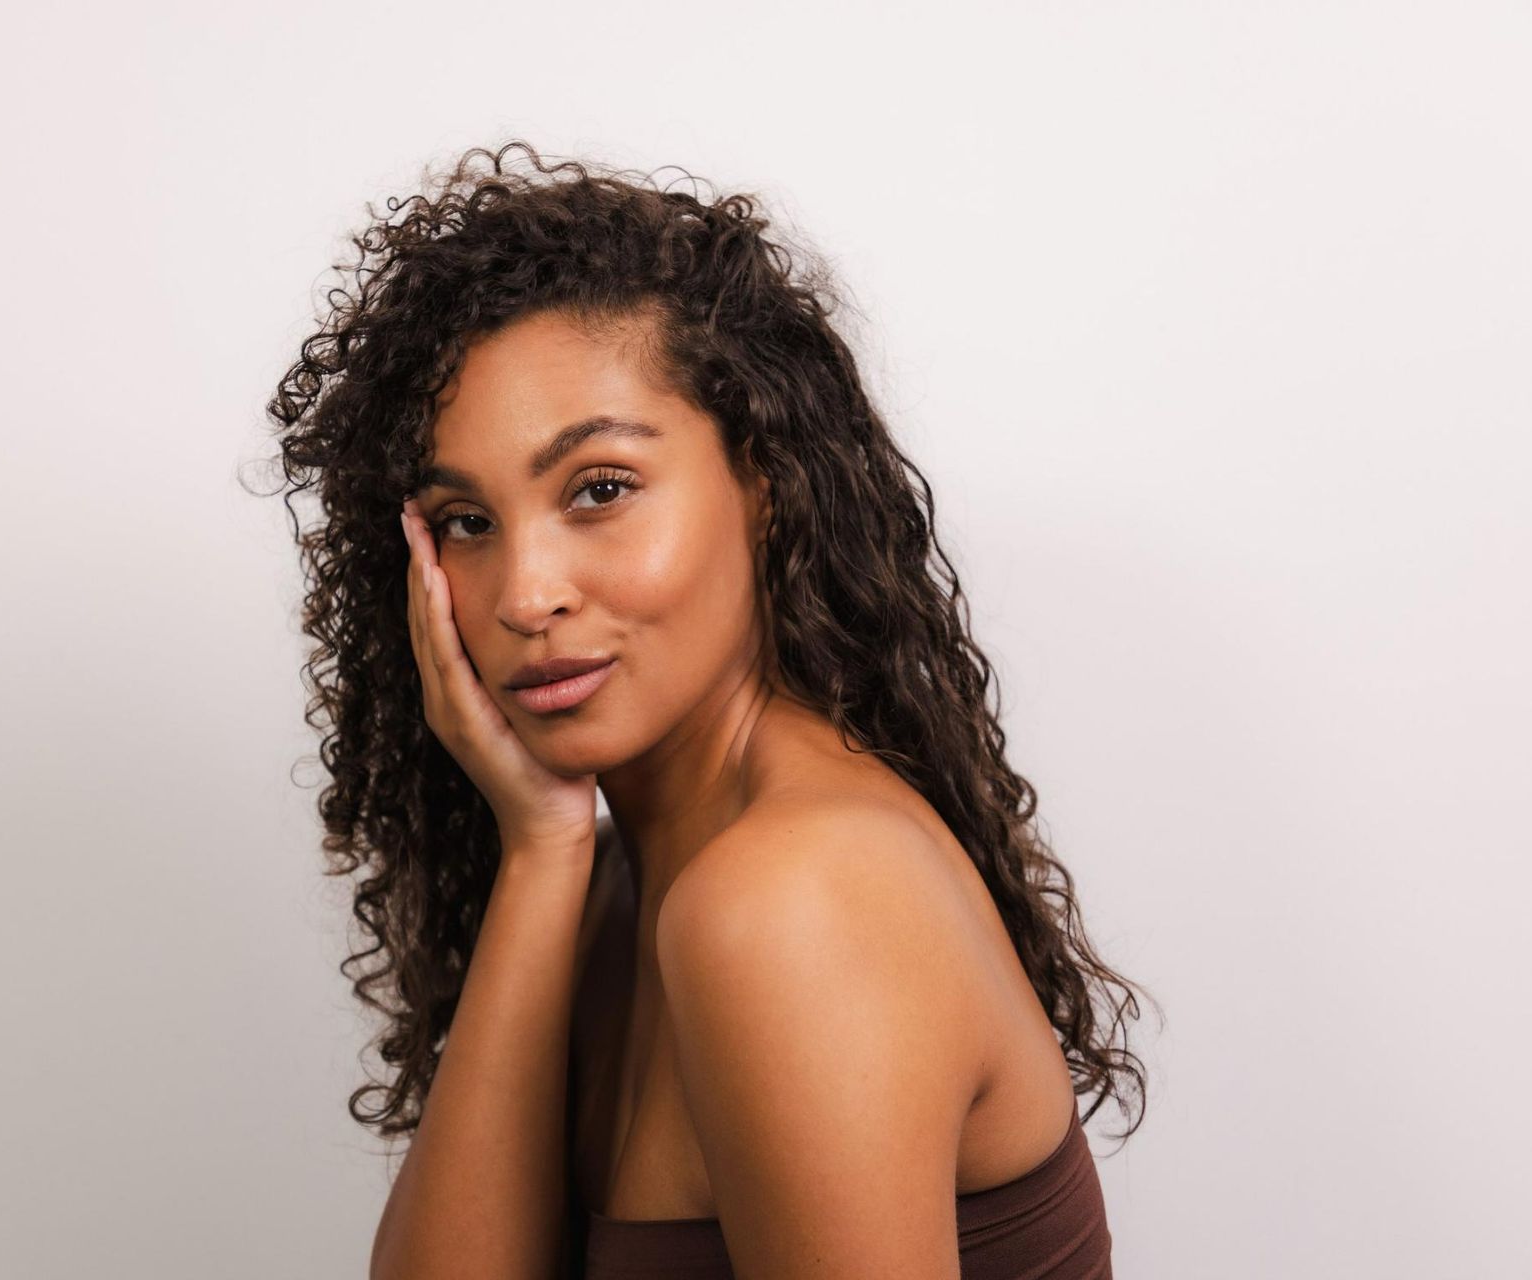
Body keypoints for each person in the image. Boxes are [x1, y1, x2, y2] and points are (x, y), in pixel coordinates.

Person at [261, 140, 1152, 1279]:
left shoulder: (790, 898)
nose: (527, 593)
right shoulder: (628, 880)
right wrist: (540, 848)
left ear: (766, 486)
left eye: (600, 490)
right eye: (466, 521)